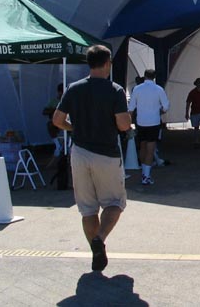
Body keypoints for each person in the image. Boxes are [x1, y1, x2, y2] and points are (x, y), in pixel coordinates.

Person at [52, 45, 132, 272]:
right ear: (107, 63)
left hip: (79, 152)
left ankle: (96, 251)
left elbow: (57, 120)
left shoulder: (73, 89)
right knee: (114, 203)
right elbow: (123, 124)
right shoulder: (114, 90)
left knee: (87, 209)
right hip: (106, 153)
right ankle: (100, 238)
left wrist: (74, 128)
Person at [128, 69, 170, 185]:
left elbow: (131, 108)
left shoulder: (137, 89)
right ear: (154, 77)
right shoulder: (158, 89)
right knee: (151, 149)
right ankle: (146, 175)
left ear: (144, 76)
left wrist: (128, 123)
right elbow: (166, 106)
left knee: (142, 147)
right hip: (153, 122)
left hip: (140, 122)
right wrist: (160, 111)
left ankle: (144, 171)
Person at [185, 78, 200, 149]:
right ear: (196, 84)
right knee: (196, 128)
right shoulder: (192, 92)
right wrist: (186, 113)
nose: (199, 85)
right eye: (198, 83)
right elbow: (188, 103)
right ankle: (197, 141)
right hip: (195, 112)